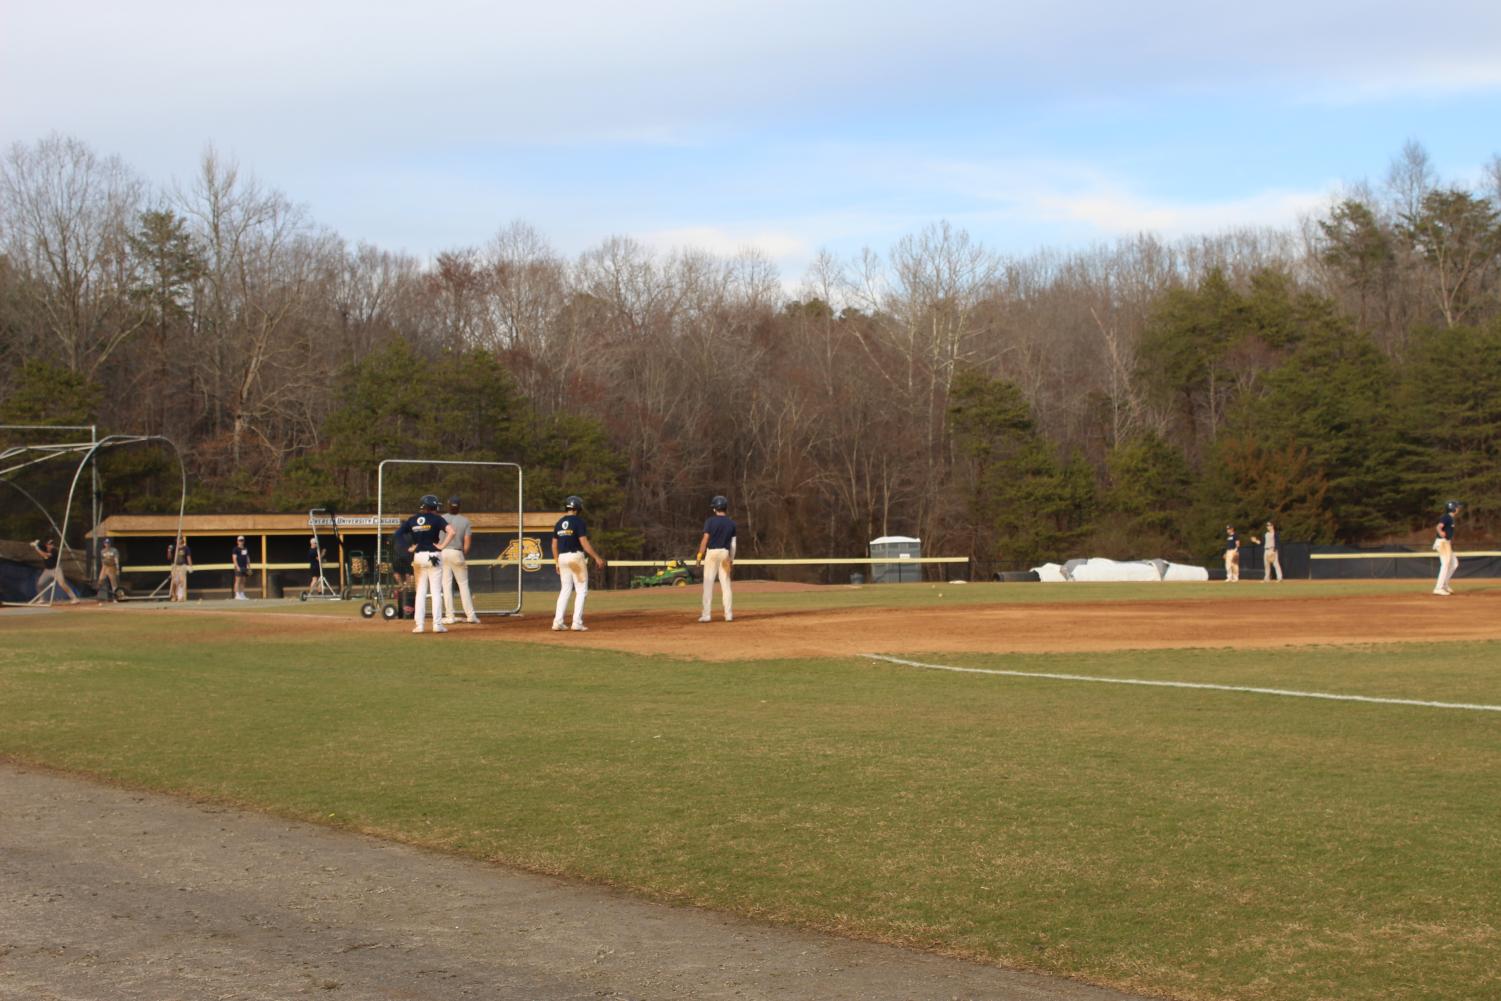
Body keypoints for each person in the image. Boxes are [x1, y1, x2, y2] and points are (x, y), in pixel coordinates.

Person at [399, 494, 454, 633]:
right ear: (434, 506)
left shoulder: (413, 519)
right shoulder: (437, 519)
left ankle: (420, 625)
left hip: (419, 557)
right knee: (436, 591)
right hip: (433, 555)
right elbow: (452, 532)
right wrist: (442, 546)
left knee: (420, 592)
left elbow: (399, 533)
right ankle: (437, 625)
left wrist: (411, 546)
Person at [551, 495, 605, 632]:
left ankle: (557, 622)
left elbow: (553, 545)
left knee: (565, 590)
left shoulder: (559, 523)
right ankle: (577, 623)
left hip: (562, 558)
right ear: (578, 508)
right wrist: (597, 557)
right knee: (581, 590)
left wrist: (557, 562)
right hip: (575, 559)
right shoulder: (578, 522)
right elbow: (584, 543)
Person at [696, 495, 737, 622]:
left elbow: (705, 539)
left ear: (715, 509)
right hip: (725, 554)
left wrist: (699, 555)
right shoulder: (732, 523)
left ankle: (707, 615)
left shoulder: (710, 521)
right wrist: (731, 559)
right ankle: (728, 614)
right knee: (726, 585)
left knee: (708, 585)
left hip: (712, 554)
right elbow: (733, 544)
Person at [440, 496, 480, 625]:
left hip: (443, 552)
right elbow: (467, 544)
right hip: (457, 552)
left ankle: (450, 616)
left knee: (446, 586)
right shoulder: (465, 521)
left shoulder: (441, 519)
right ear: (459, 506)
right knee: (463, 585)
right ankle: (471, 615)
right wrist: (462, 554)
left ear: (448, 505)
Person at [31, 537, 81, 603]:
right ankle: (42, 599)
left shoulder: (54, 550)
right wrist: (35, 544)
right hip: (47, 570)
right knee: (39, 584)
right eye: (50, 544)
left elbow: (44, 554)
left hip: (56, 569)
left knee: (62, 584)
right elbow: (36, 545)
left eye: (52, 544)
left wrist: (36, 548)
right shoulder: (44, 548)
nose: (52, 545)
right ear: (46, 545)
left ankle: (74, 598)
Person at [1433, 500, 1462, 596]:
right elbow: (1438, 526)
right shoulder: (1447, 517)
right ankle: (1438, 588)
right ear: (1452, 508)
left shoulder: (1451, 518)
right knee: (1445, 564)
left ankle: (1444, 585)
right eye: (1457, 507)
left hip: (1446, 543)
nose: (1458, 508)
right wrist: (1440, 532)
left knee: (1454, 563)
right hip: (1442, 542)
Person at [96, 536, 121, 602]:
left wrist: (117, 568)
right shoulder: (102, 551)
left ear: (110, 544)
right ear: (104, 544)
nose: (107, 544)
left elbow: (116, 559)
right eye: (106, 543)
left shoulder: (114, 550)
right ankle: (100, 596)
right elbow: (102, 560)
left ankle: (115, 598)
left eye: (108, 543)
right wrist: (102, 569)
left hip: (112, 567)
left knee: (113, 583)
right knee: (100, 580)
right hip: (105, 567)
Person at [168, 535, 192, 602]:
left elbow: (188, 557)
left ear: (182, 540)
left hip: (182, 566)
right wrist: (169, 551)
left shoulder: (186, 548)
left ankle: (180, 597)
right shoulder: (173, 547)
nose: (179, 540)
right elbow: (169, 557)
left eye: (180, 539)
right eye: (177, 539)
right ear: (175, 540)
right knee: (174, 582)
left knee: (181, 582)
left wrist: (190, 566)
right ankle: (174, 596)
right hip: (175, 566)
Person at [231, 535, 252, 600]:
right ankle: (237, 595)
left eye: (242, 540)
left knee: (243, 581)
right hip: (239, 567)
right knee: (238, 580)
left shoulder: (245, 549)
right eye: (240, 540)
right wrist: (237, 566)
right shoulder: (235, 549)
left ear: (244, 541)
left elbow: (247, 557)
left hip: (244, 567)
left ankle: (242, 594)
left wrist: (249, 566)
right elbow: (234, 558)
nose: (241, 541)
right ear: (237, 541)